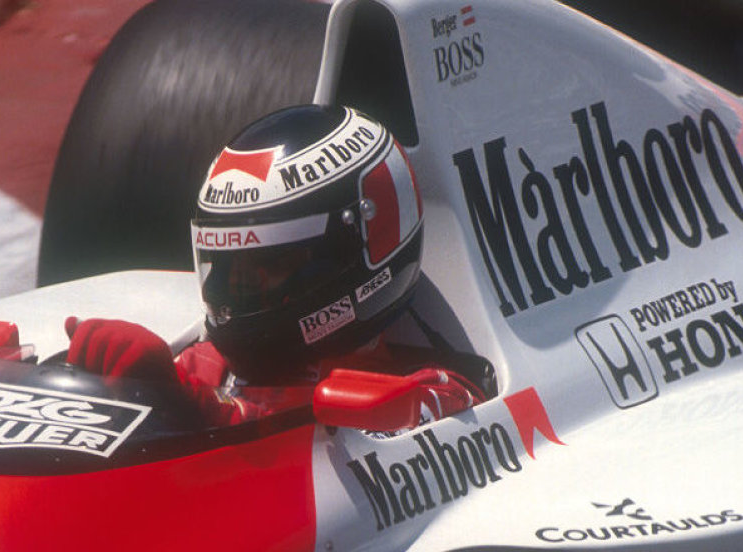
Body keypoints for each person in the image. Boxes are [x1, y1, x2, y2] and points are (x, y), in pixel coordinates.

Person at [67, 104, 486, 426]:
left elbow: (344, 438)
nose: (237, 286)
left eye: (270, 263)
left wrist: (191, 404)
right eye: (227, 266)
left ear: (358, 255)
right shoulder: (205, 367)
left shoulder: (435, 397)